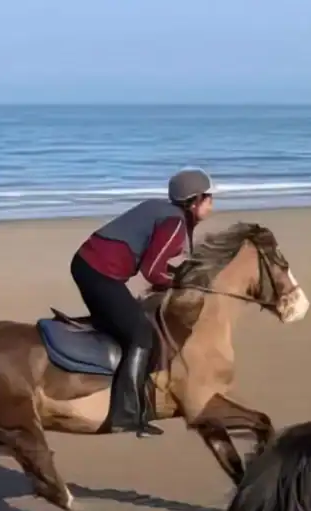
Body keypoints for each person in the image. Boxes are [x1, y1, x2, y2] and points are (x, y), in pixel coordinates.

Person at [69, 168, 216, 437]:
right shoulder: (175, 222)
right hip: (98, 273)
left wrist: (174, 277)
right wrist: (184, 284)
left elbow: (156, 266)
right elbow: (153, 270)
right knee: (141, 335)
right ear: (194, 201)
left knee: (124, 322)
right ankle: (127, 414)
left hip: (89, 265)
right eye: (208, 197)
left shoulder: (166, 212)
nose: (212, 203)